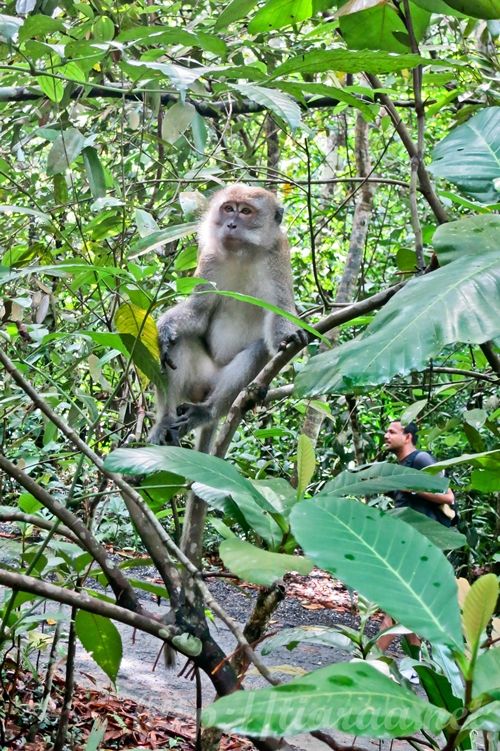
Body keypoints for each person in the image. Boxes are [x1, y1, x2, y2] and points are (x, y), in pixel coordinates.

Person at [377, 420, 455, 654]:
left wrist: (412, 488)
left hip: (420, 542)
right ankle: (418, 660)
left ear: (408, 436)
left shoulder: (421, 460)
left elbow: (448, 496)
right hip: (405, 539)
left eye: (392, 432)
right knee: (404, 600)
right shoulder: (399, 467)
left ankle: (371, 658)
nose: (386, 435)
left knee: (395, 599)